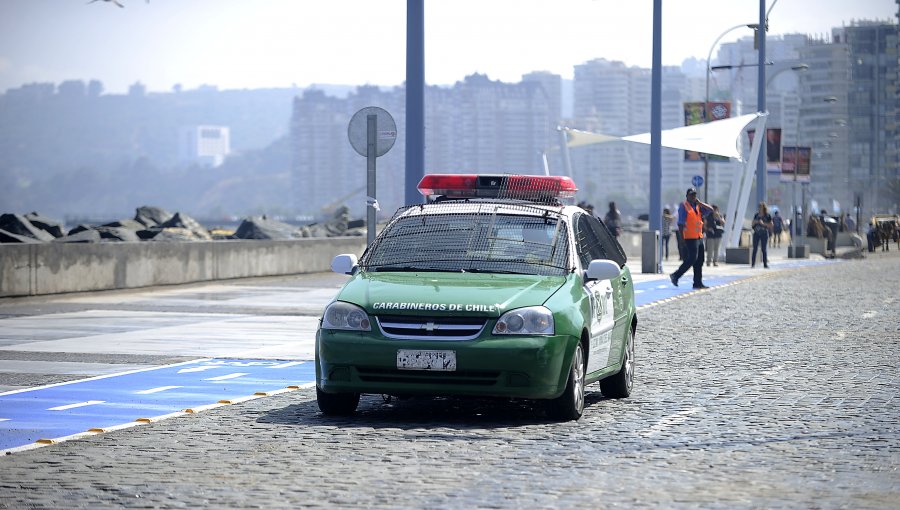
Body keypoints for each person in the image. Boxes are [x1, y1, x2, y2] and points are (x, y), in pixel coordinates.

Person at [670, 188, 714, 289]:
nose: (693, 197)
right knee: (692, 259)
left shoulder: (698, 207)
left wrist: (701, 203)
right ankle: (676, 275)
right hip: (689, 237)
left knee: (700, 260)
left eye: (694, 195)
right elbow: (680, 224)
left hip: (698, 237)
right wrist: (681, 240)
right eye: (691, 195)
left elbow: (710, 210)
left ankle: (697, 282)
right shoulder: (683, 206)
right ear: (687, 196)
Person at [751, 202, 774, 268]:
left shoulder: (767, 215)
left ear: (764, 208)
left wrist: (763, 224)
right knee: (755, 248)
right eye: (759, 207)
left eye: (761, 207)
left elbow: (771, 225)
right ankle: (753, 264)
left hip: (764, 233)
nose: (759, 208)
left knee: (763, 249)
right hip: (756, 233)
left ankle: (765, 264)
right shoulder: (756, 215)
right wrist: (755, 222)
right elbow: (752, 224)